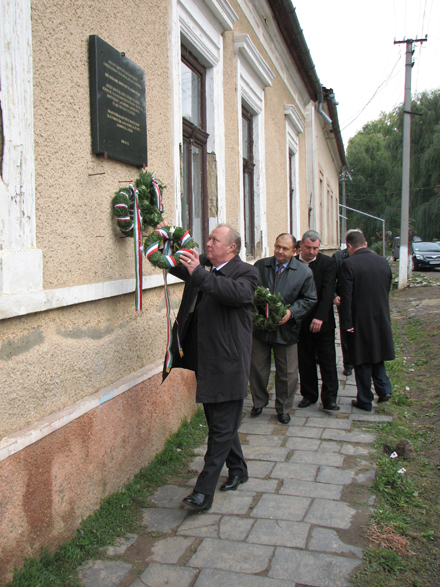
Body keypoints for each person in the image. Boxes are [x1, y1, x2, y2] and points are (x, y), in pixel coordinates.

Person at [161, 223, 259, 510]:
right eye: (209, 238)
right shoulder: (203, 268)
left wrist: (199, 272)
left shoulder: (247, 273)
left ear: (232, 247)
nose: (209, 243)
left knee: (218, 431)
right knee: (221, 424)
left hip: (229, 364)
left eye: (215, 240)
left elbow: (232, 293)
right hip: (207, 362)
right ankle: (239, 470)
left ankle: (203, 494)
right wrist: (159, 241)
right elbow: (175, 265)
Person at [249, 233, 317, 424]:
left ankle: (284, 408)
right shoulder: (261, 266)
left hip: (287, 330)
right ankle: (259, 402)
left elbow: (310, 298)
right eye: (277, 246)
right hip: (261, 328)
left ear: (295, 251)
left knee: (287, 373)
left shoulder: (304, 272)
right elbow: (250, 290)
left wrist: (292, 312)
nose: (280, 251)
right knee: (257, 368)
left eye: (285, 248)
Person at [340, 229, 395, 411]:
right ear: (366, 244)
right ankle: (384, 390)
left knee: (361, 358)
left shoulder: (349, 264)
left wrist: (347, 323)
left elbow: (346, 297)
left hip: (359, 319)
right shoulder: (383, 262)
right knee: (377, 354)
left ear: (349, 246)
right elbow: (387, 288)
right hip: (380, 317)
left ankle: (365, 399)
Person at [296, 230, 340, 410]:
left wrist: (320, 317)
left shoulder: (328, 263)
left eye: (315, 248)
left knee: (328, 360)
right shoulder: (294, 263)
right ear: (300, 245)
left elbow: (328, 291)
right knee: (305, 360)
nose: (312, 252)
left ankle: (329, 398)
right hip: (300, 321)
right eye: (308, 247)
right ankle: (309, 395)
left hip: (323, 321)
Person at [332, 247, 353, 377]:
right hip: (344, 300)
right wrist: (334, 295)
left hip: (361, 301)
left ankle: (361, 360)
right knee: (346, 331)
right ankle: (348, 364)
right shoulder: (338, 257)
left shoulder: (367, 256)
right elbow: (331, 278)